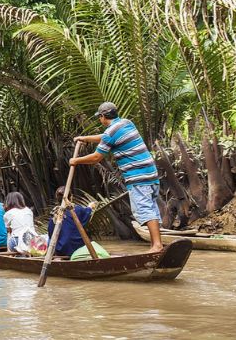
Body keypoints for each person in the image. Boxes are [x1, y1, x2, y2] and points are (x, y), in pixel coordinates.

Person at [71, 101, 165, 253]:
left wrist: (76, 160)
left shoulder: (110, 133)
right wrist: (85, 138)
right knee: (151, 208)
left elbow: (96, 158)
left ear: (102, 117)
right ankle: (156, 245)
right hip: (150, 173)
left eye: (99, 118)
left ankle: (157, 246)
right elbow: (105, 137)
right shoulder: (126, 123)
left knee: (145, 209)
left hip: (138, 176)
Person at [45, 186, 99, 259]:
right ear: (71, 197)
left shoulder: (54, 214)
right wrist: (90, 207)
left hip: (61, 250)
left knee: (49, 239)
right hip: (77, 247)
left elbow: (51, 234)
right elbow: (87, 214)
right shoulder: (77, 210)